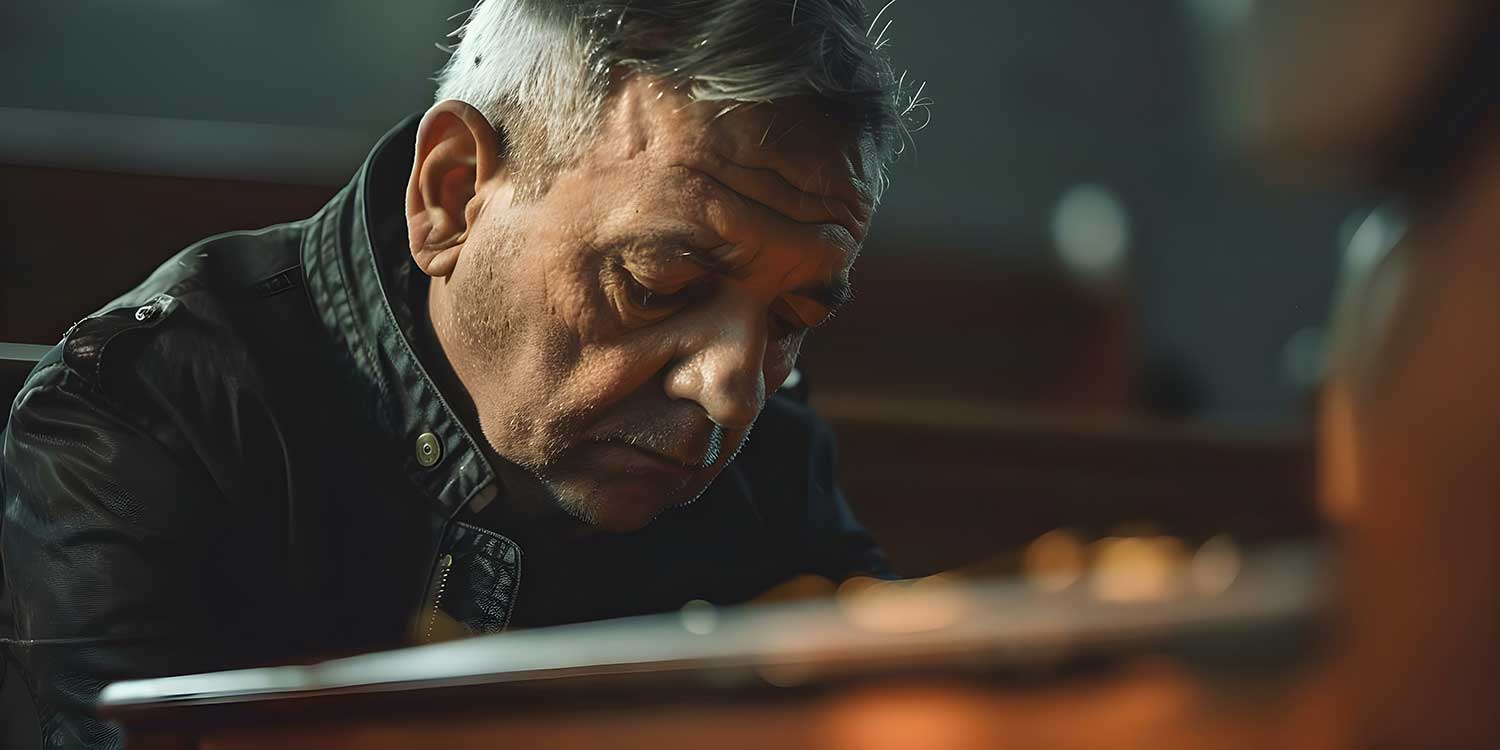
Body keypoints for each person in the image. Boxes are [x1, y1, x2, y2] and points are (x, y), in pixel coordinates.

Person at [0, 2, 920, 746]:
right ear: (452, 197)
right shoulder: (146, 416)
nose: (733, 391)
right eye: (658, 285)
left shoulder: (774, 455)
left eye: (792, 320)